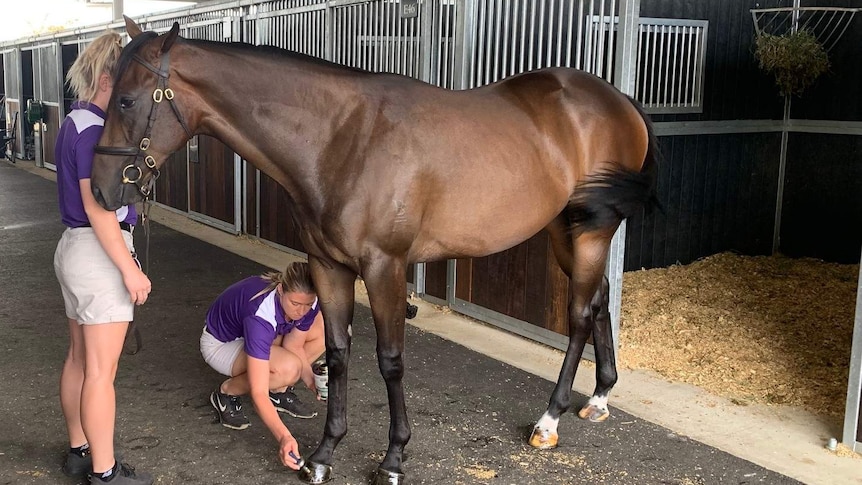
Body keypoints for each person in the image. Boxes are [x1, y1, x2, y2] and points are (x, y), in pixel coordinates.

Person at [53, 30, 154, 485]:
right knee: (100, 371)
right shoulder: (96, 132)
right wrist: (130, 269)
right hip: (99, 251)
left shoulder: (75, 120)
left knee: (78, 359)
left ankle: (79, 449)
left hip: (74, 250)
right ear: (112, 76)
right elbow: (98, 207)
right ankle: (105, 472)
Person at [200, 261, 325, 470]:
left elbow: (294, 343)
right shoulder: (261, 315)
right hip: (221, 345)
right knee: (288, 369)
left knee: (321, 332)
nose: (302, 311)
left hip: (261, 334)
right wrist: (284, 437)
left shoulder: (307, 301)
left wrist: (312, 381)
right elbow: (258, 393)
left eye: (307, 304)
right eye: (295, 303)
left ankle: (277, 390)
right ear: (281, 289)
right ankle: (226, 392)